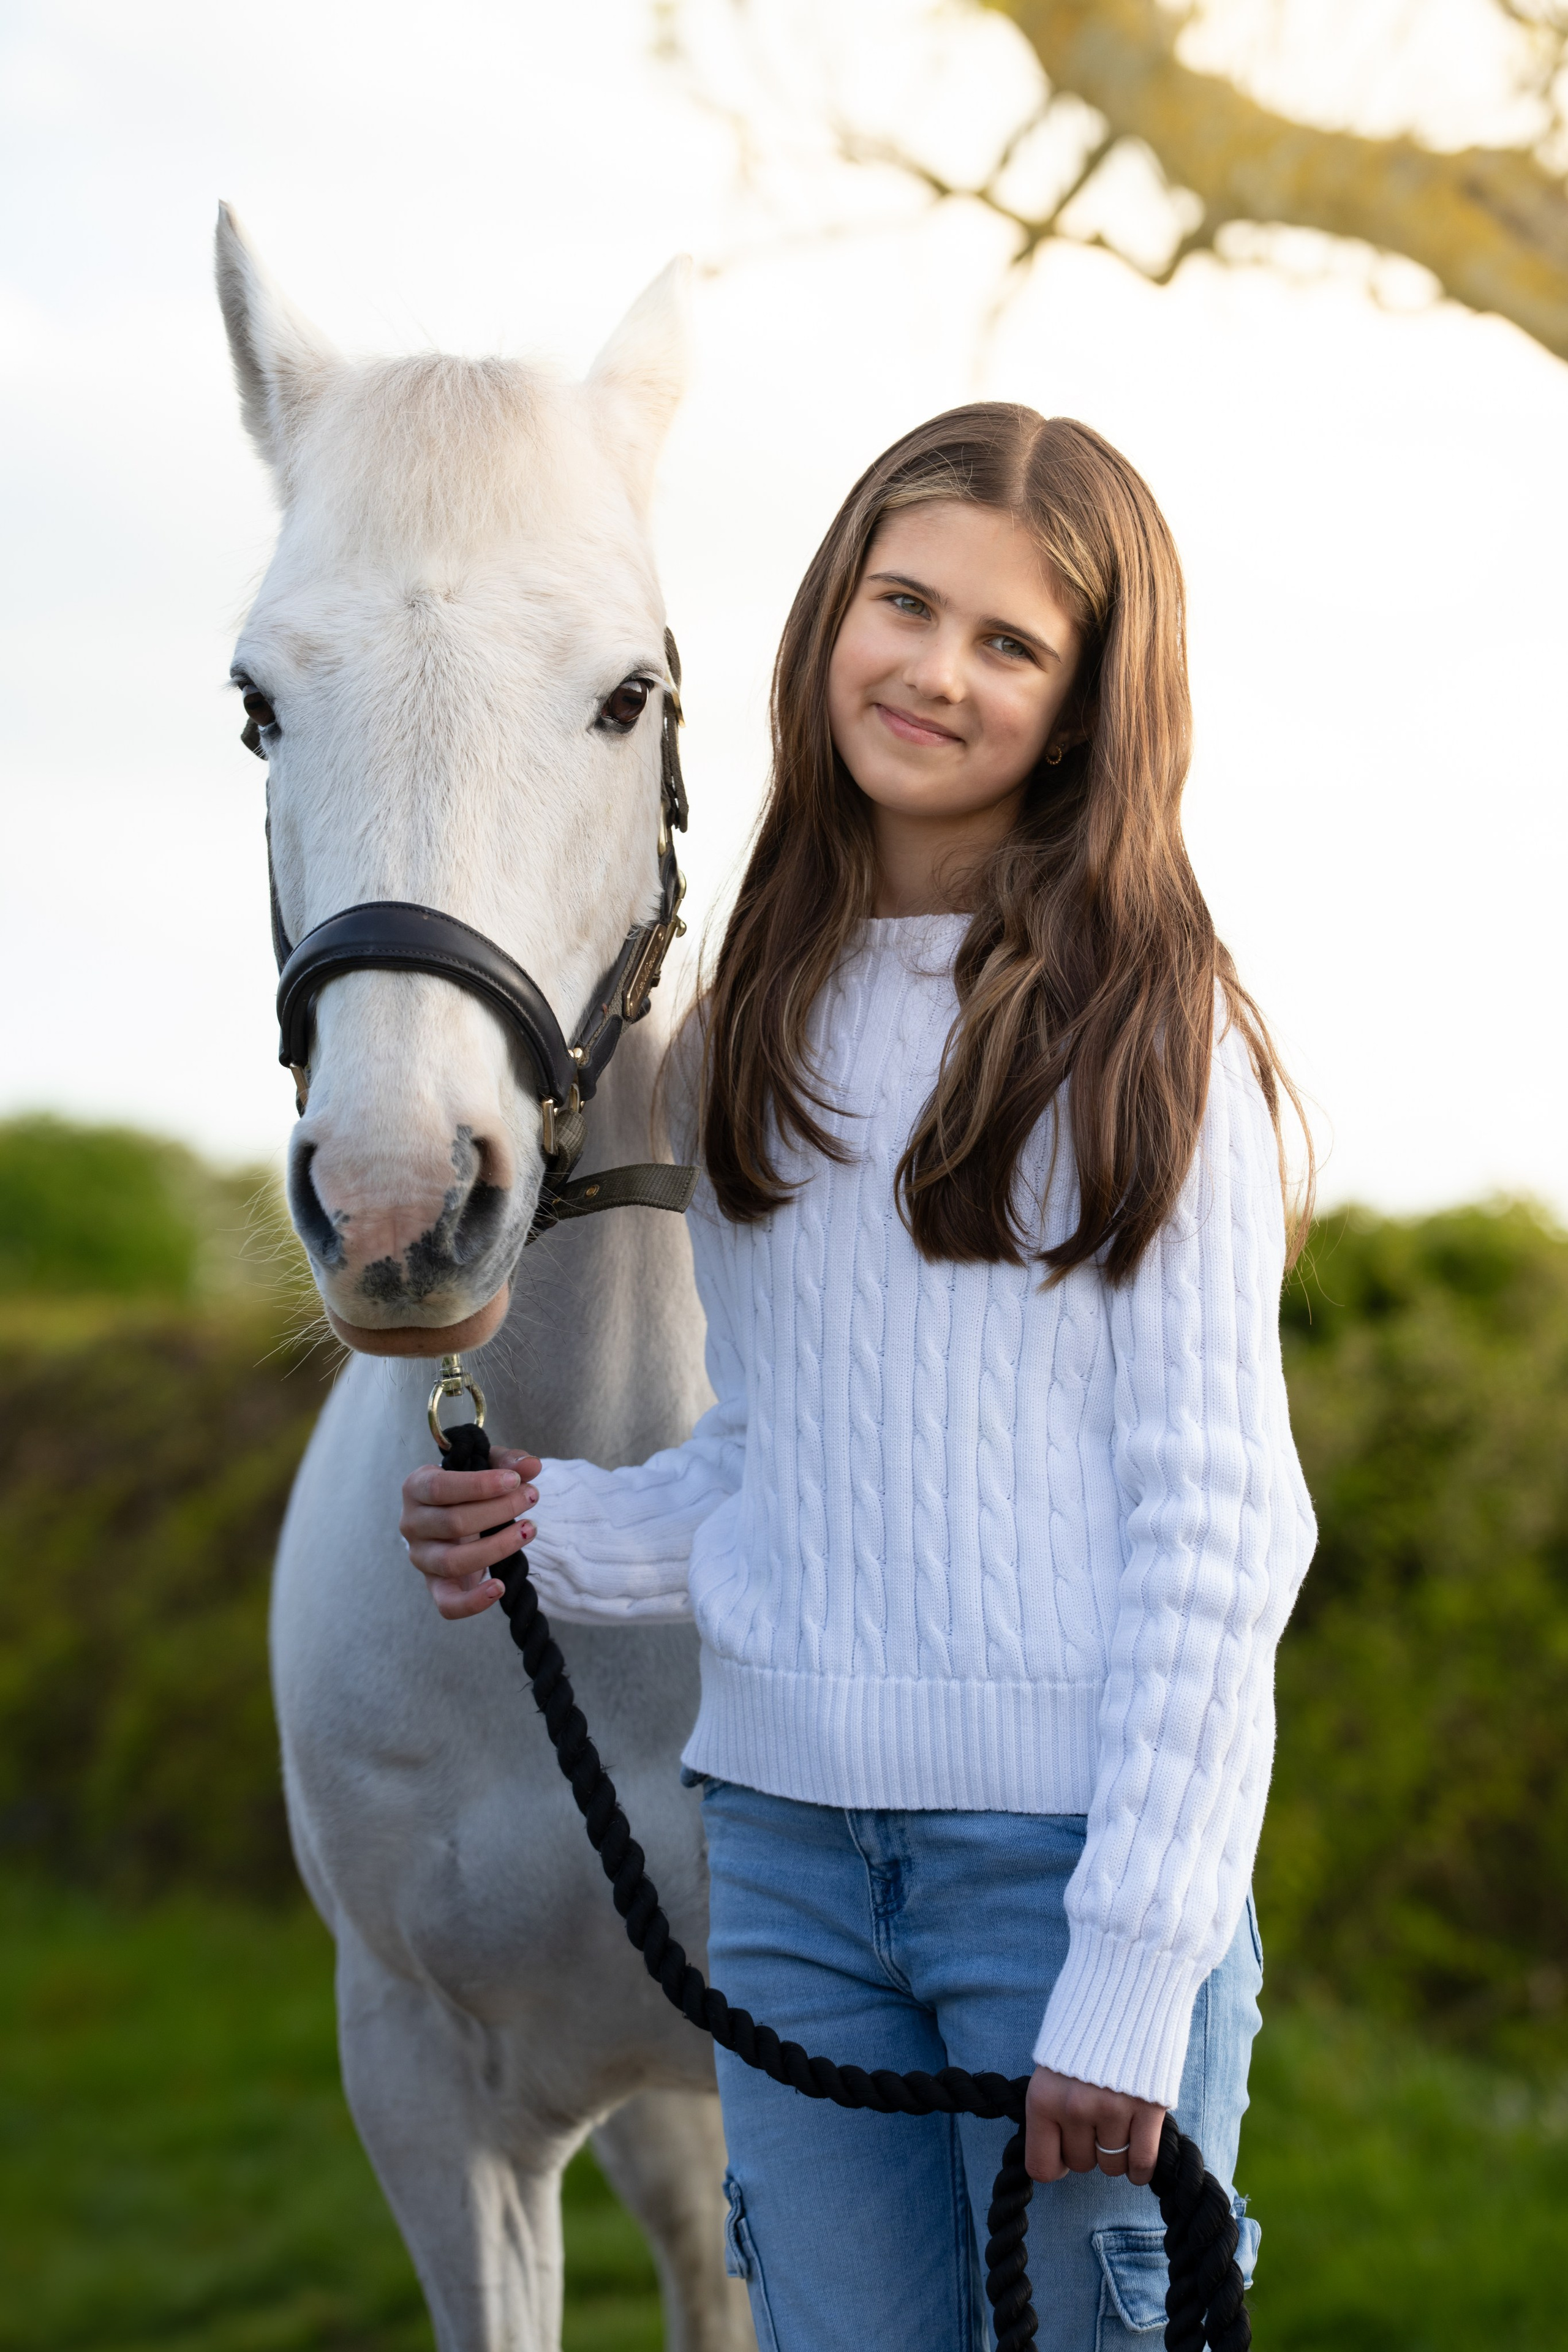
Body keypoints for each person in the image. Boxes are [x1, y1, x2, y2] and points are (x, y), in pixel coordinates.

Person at [399, 406, 1316, 2350]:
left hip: (1059, 1879)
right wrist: (554, 1526)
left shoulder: (1157, 1041)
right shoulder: (747, 1030)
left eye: (1010, 643)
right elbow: (792, 1463)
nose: (935, 669)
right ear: (833, 615)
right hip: (794, 1865)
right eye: (905, 603)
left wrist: (1132, 1974)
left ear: (1082, 708)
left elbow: (1219, 1532)